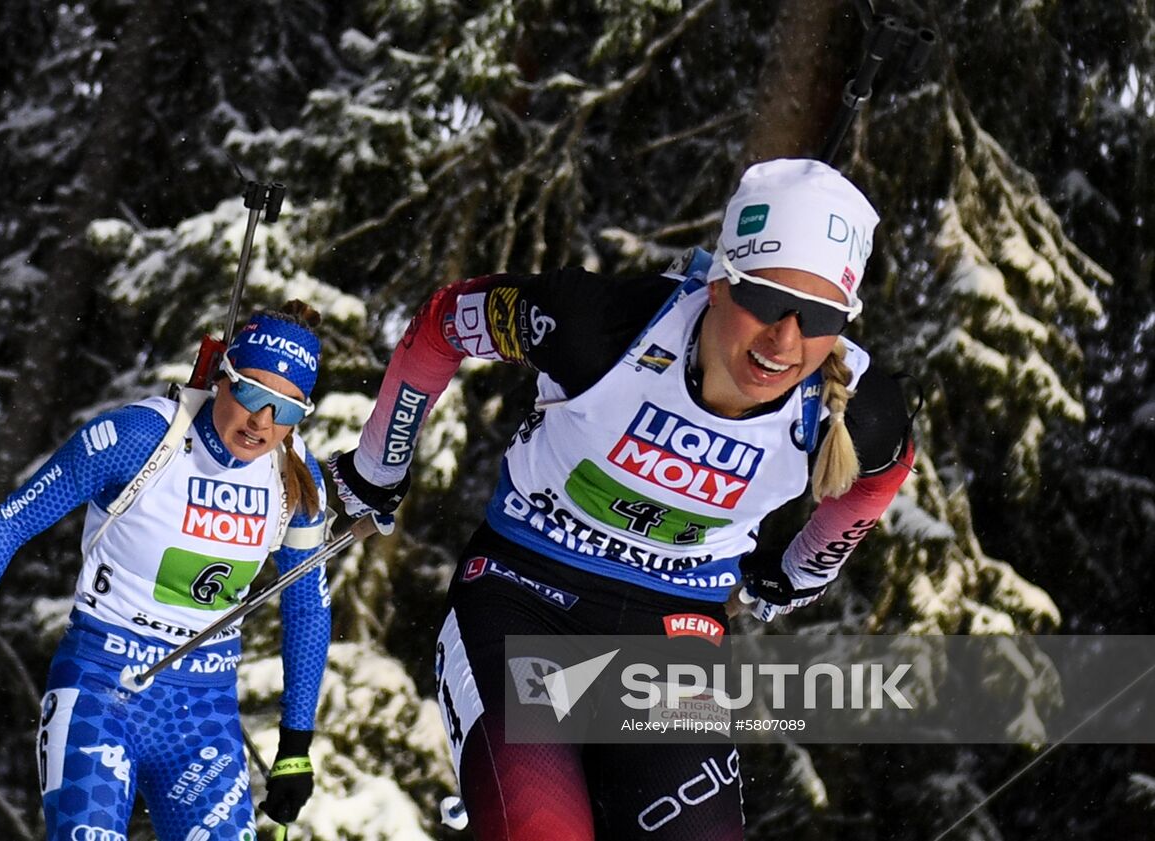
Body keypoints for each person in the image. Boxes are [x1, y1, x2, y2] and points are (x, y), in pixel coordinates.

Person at [327, 159, 915, 840]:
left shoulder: (857, 409)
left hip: (672, 637)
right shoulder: (599, 328)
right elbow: (443, 323)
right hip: (525, 597)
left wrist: (800, 569)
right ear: (720, 281)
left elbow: (880, 476)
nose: (784, 340)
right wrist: (379, 465)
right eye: (762, 300)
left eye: (817, 317)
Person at [0, 301, 333, 841]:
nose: (262, 421)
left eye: (285, 410)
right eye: (251, 393)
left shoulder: (296, 479)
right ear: (222, 376)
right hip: (100, 690)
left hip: (202, 715)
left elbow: (306, 602)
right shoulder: (139, 438)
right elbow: (11, 522)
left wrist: (296, 745)